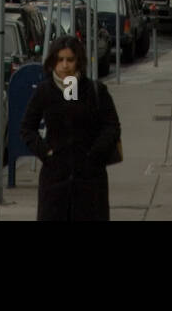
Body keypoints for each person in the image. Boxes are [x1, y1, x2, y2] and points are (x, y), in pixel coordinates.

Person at [19, 34, 121, 221]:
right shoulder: (45, 91)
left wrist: (94, 154)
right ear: (53, 62)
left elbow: (112, 127)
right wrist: (46, 152)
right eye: (60, 60)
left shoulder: (94, 91)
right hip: (55, 182)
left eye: (70, 60)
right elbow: (27, 128)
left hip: (90, 182)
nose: (65, 65)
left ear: (78, 62)